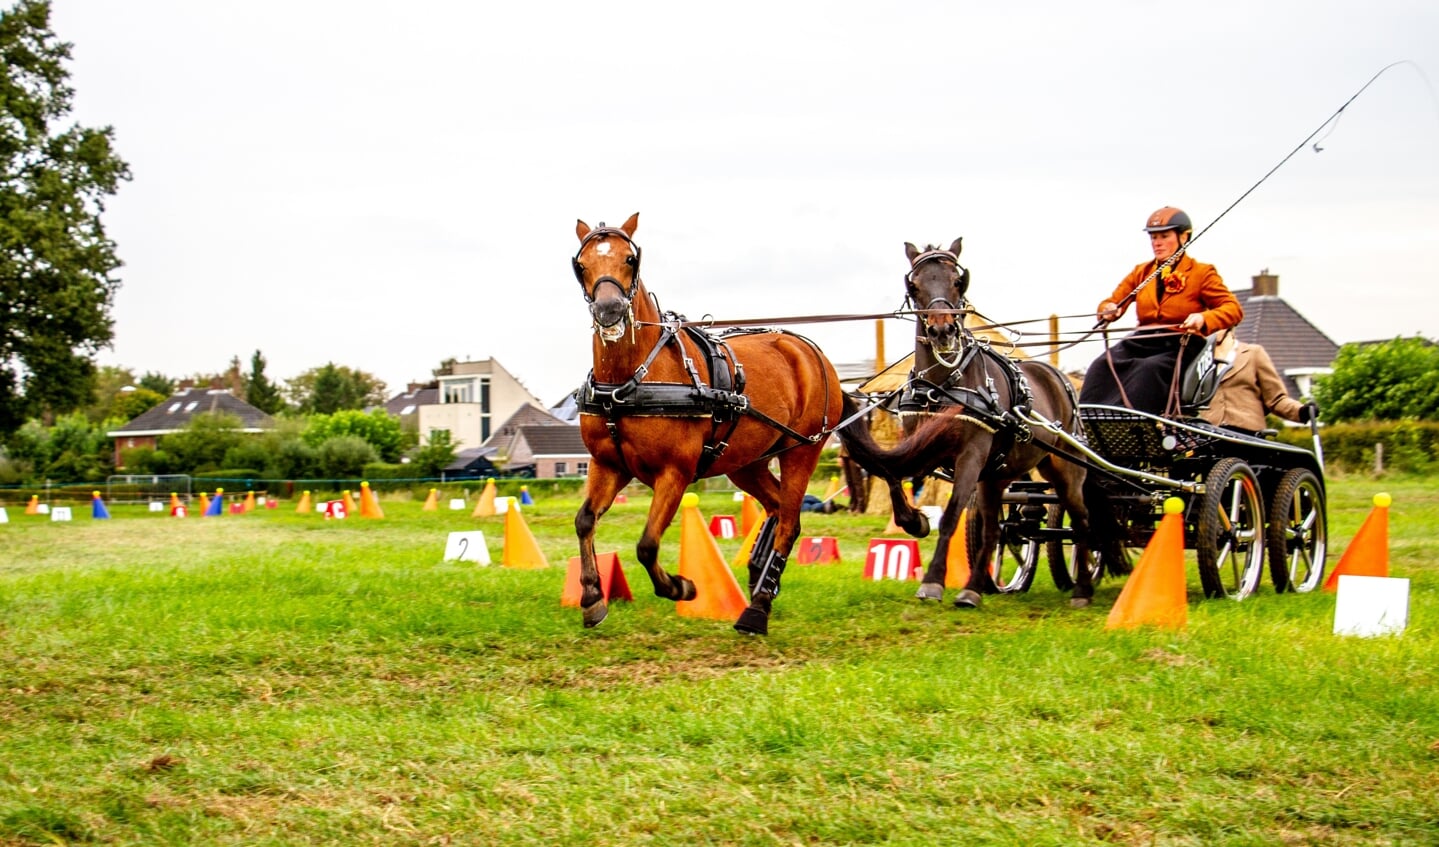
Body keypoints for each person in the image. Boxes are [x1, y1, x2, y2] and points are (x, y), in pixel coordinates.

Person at [1079, 206, 1244, 415]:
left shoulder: (1202, 273)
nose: (1157, 243)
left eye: (1164, 236)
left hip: (1179, 343)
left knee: (1149, 369)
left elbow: (1233, 309)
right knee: (1101, 365)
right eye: (1153, 237)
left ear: (1184, 237)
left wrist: (1204, 318)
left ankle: (1134, 422)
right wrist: (1109, 309)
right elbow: (1112, 302)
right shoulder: (1142, 272)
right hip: (1143, 340)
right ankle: (1089, 421)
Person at [1200, 330, 1319, 434]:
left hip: (1247, 432)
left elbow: (1276, 399)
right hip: (1211, 433)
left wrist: (1300, 411)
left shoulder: (1254, 353)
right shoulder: (1199, 360)